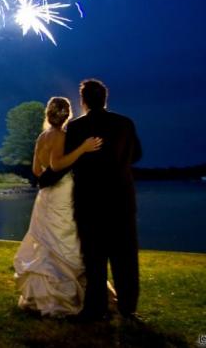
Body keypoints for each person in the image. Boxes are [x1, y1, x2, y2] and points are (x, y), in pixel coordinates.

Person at [13, 97, 103, 317]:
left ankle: (41, 296)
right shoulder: (61, 136)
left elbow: (37, 170)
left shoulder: (42, 137)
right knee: (63, 239)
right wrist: (82, 148)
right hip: (61, 193)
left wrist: (48, 175)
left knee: (46, 243)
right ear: (68, 114)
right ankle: (62, 299)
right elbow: (56, 164)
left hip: (44, 197)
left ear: (48, 114)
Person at [65, 79, 142, 322]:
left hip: (90, 200)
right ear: (105, 99)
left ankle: (95, 307)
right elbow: (137, 154)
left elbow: (71, 159)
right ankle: (128, 306)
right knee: (125, 255)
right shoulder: (125, 124)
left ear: (83, 101)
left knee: (94, 256)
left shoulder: (76, 127)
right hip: (121, 199)